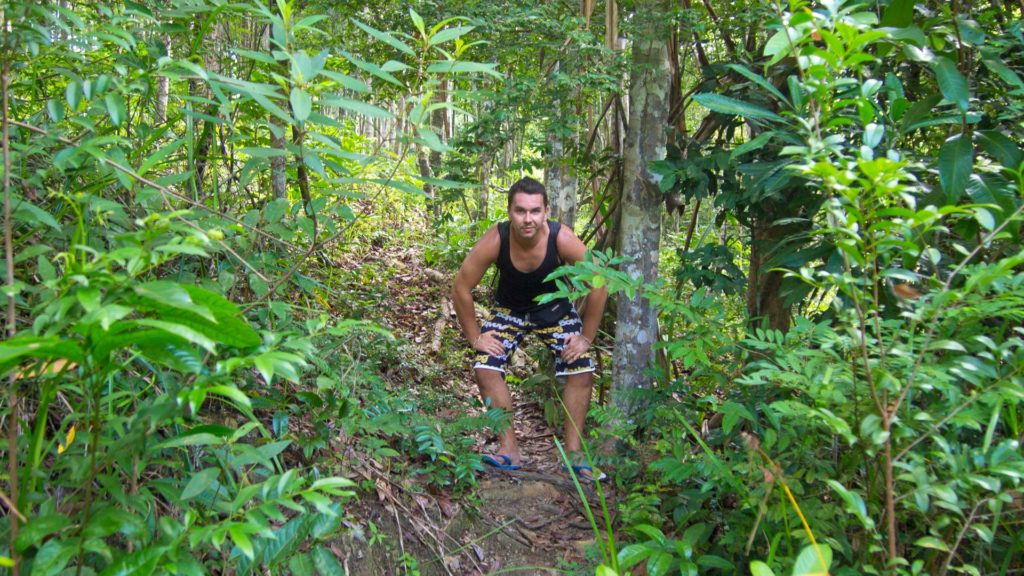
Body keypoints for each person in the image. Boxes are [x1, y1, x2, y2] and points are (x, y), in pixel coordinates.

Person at [451, 177, 608, 481]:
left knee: (581, 368)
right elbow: (461, 287)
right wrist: (475, 337)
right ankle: (509, 448)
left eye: (535, 211)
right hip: (509, 311)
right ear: (509, 212)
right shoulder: (497, 239)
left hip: (554, 311)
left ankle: (574, 456)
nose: (527, 219)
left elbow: (599, 283)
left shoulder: (561, 239)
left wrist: (586, 338)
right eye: (520, 211)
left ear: (546, 211)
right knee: (485, 367)